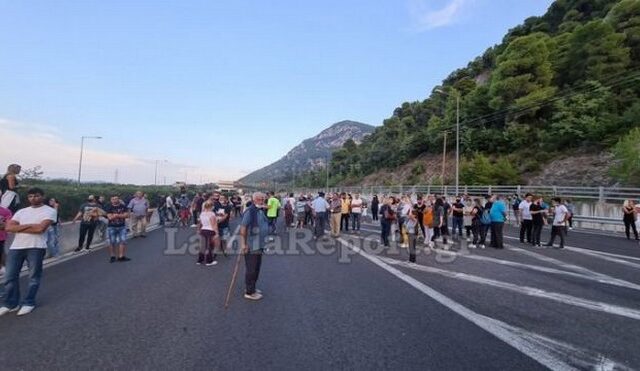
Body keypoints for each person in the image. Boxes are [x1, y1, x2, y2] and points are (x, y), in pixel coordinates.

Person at [0, 187, 56, 317]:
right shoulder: (22, 211)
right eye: (30, 196)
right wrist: (30, 226)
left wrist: (18, 227)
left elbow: (40, 229)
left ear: (42, 196)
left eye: (36, 196)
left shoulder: (50, 211)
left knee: (33, 277)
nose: (33, 198)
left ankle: (28, 302)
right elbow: (8, 227)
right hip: (16, 247)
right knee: (9, 276)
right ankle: (10, 304)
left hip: (36, 247)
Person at [239, 192, 270, 301]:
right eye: (261, 199)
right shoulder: (250, 211)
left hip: (259, 244)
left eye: (264, 199)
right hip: (252, 245)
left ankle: (252, 287)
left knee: (256, 268)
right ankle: (249, 292)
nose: (263, 201)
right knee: (251, 269)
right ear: (256, 199)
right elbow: (243, 228)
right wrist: (243, 244)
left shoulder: (259, 210)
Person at [104, 195, 131, 263]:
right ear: (111, 200)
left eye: (116, 199)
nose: (115, 200)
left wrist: (116, 215)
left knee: (123, 241)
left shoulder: (123, 206)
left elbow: (127, 215)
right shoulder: (108, 207)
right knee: (111, 242)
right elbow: (109, 218)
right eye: (113, 199)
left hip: (122, 226)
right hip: (111, 227)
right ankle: (112, 256)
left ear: (118, 199)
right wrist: (120, 215)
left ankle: (121, 256)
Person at [197, 201, 219, 266]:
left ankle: (200, 260)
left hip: (203, 230)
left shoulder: (202, 213)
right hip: (210, 230)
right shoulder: (212, 214)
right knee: (209, 246)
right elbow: (214, 224)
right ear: (211, 206)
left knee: (202, 246)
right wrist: (216, 233)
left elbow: (200, 223)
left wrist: (198, 230)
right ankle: (209, 261)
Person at [0, 205, 12, 280]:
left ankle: (2, 267)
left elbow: (9, 223)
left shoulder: (5, 211)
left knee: (1, 251)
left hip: (1, 236)